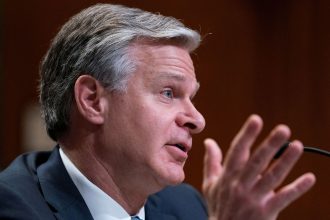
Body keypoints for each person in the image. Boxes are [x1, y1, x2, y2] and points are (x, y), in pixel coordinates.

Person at [0, 3, 316, 220]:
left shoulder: (186, 206)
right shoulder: (13, 205)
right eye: (168, 93)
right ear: (93, 100)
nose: (197, 120)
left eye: (192, 97)